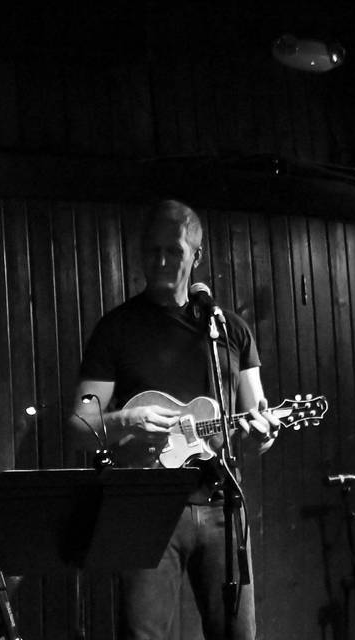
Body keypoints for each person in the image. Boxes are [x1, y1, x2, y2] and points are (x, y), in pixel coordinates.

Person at [68, 199, 280, 640]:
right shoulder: (116, 329)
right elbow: (80, 423)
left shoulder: (230, 330)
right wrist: (127, 419)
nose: (161, 261)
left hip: (222, 505)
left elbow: (256, 413)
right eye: (152, 251)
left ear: (196, 256)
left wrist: (265, 431)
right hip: (145, 507)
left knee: (237, 633)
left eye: (174, 251)